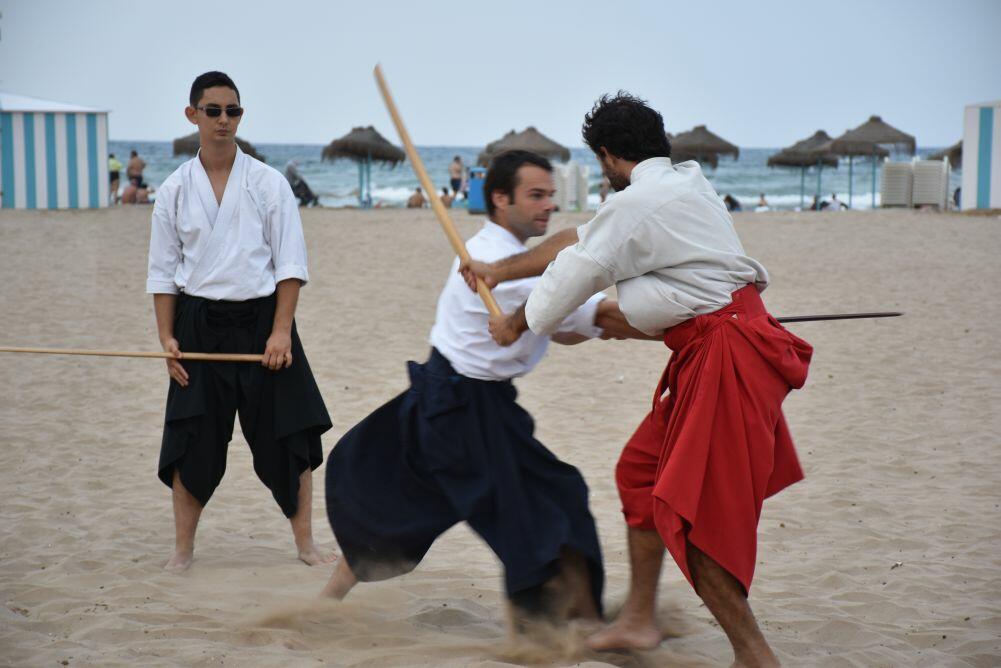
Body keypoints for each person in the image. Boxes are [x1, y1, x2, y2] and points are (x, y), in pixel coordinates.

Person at [462, 93, 812, 666]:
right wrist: (499, 271)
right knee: (641, 471)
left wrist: (515, 321)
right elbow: (582, 241)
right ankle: (640, 620)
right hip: (713, 347)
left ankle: (755, 655)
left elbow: (559, 294)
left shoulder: (637, 205)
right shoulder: (686, 182)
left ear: (607, 155)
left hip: (724, 356)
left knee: (691, 513)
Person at [321, 150, 642, 625]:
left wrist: (608, 322)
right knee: (552, 500)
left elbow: (570, 325)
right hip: (461, 409)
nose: (547, 205)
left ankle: (325, 605)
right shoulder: (493, 263)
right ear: (499, 198)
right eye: (535, 196)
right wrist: (682, 324)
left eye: (551, 195)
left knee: (401, 505)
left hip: (444, 396)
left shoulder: (499, 256)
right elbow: (600, 315)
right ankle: (570, 626)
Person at [146, 71, 333, 573]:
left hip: (263, 322)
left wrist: (280, 331)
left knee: (289, 436)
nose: (224, 120)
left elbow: (290, 264)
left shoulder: (268, 183)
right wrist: (167, 339)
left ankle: (306, 545)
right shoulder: (174, 190)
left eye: (233, 111)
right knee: (192, 440)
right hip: (198, 325)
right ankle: (182, 551)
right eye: (214, 111)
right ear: (193, 115)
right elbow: (163, 274)